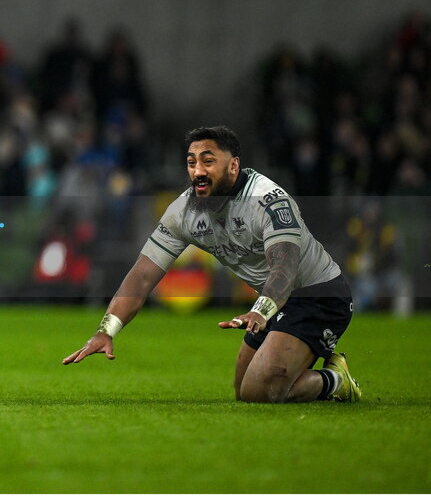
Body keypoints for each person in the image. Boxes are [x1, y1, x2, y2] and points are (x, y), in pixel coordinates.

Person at [63, 125, 362, 404]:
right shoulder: (184, 211)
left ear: (233, 166)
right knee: (244, 391)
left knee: (262, 390)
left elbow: (285, 268)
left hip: (317, 296)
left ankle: (335, 380)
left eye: (208, 161)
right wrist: (107, 330)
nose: (198, 171)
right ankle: (307, 372)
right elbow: (142, 275)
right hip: (272, 303)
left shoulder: (269, 201)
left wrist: (260, 310)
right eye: (192, 162)